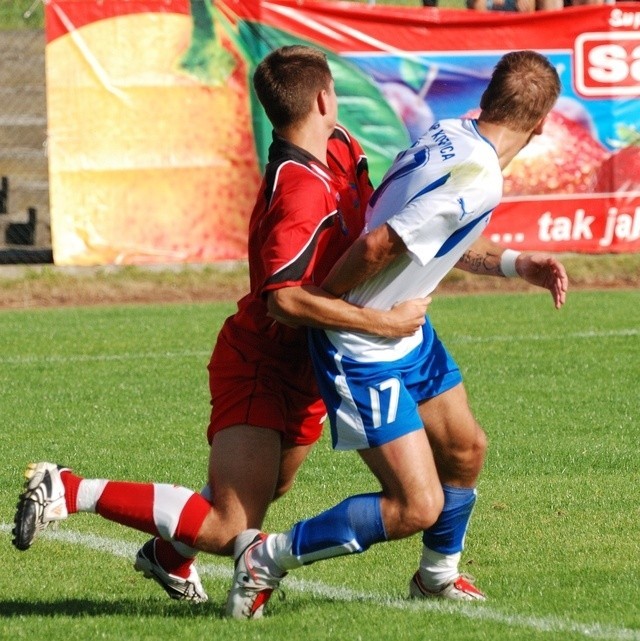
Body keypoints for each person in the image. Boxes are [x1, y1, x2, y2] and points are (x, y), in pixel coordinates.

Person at [11, 46, 429, 604]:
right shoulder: (299, 190)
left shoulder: (341, 145)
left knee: (272, 486)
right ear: (325, 97)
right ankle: (67, 488)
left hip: (309, 363)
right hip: (262, 358)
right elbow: (282, 300)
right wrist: (379, 321)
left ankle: (167, 555)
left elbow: (375, 222)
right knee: (232, 525)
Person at [224, 49, 569, 620]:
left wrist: (516, 264)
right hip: (365, 344)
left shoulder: (452, 133)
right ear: (542, 123)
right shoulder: (478, 176)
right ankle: (267, 558)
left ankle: (436, 579)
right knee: (417, 504)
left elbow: (432, 237)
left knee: (465, 448)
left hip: (407, 330)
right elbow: (381, 243)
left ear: (486, 99)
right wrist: (334, 304)